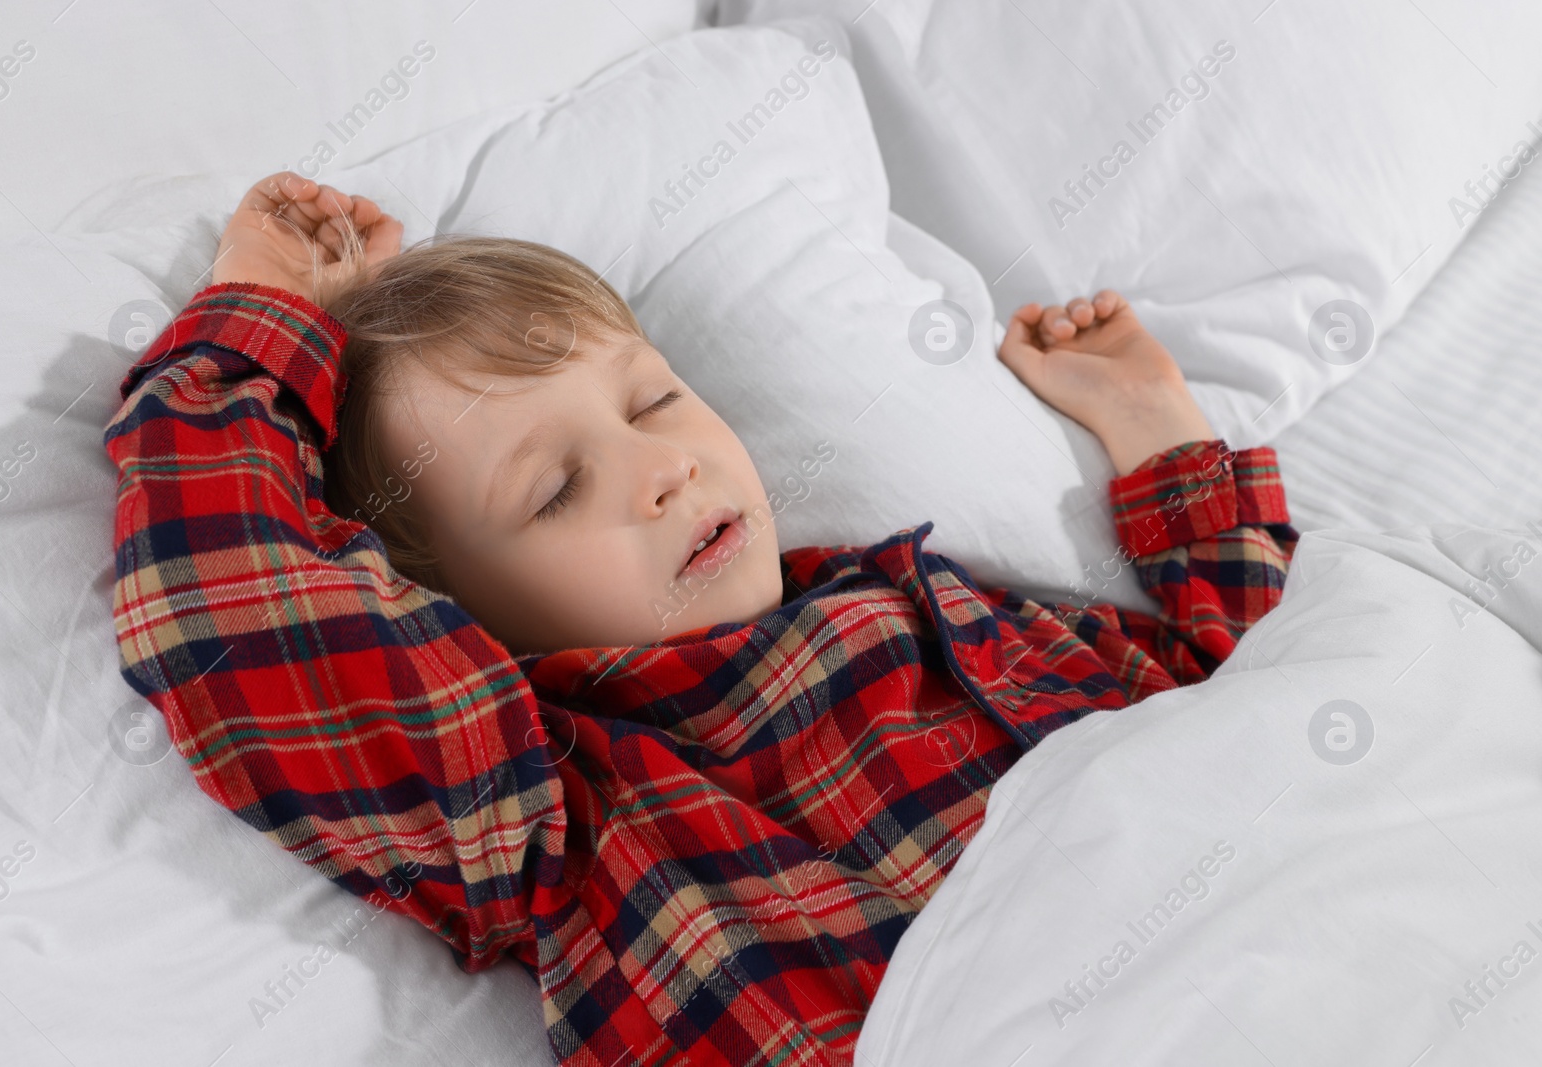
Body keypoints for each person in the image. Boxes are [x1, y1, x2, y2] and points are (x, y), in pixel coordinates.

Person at [103, 172, 1298, 1066]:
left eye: (654, 399)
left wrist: (1155, 428)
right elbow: (228, 597)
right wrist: (260, 311)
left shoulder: (930, 607)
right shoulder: (549, 806)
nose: (661, 468)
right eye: (556, 488)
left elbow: (1245, 690)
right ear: (453, 618)